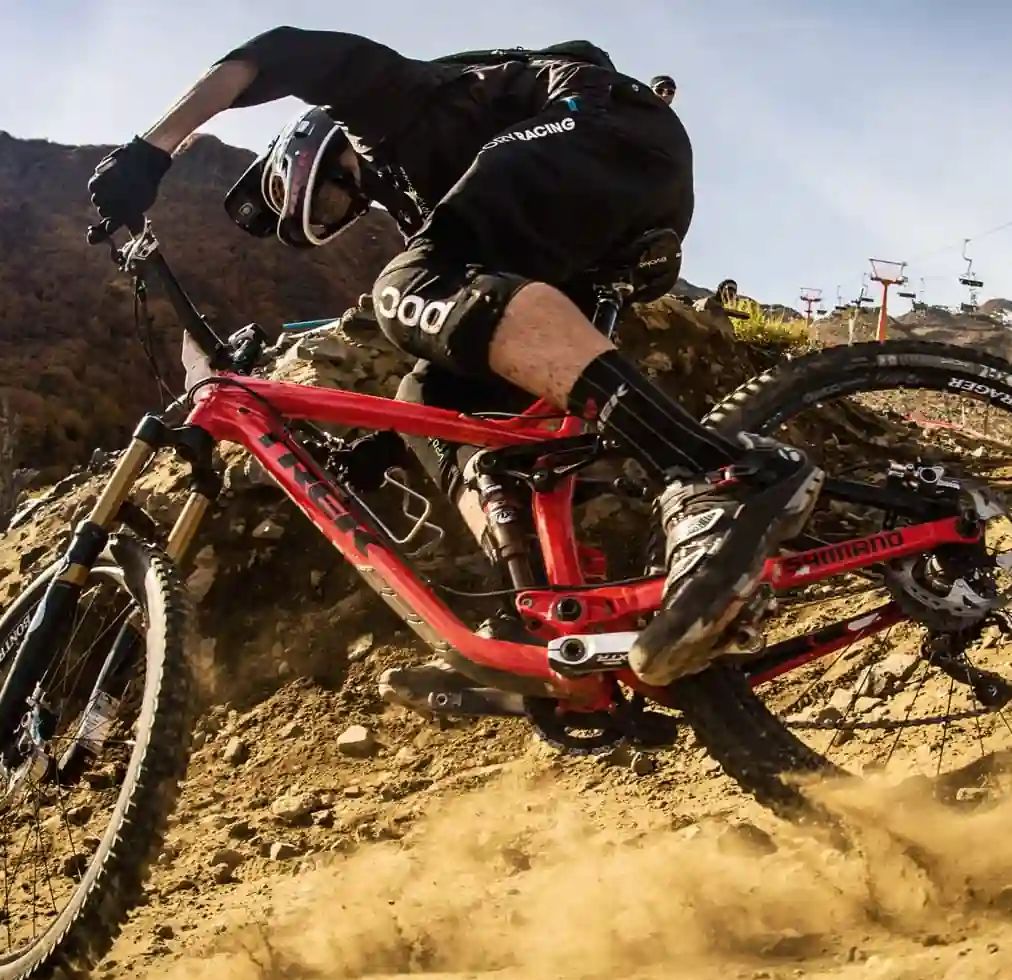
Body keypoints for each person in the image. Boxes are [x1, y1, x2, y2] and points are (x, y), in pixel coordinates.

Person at [86, 29, 823, 694]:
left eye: (319, 193)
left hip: (601, 129)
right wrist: (394, 438)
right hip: (601, 214)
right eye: (331, 220)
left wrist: (155, 147)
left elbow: (271, 51)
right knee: (429, 396)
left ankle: (703, 475)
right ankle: (533, 626)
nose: (340, 208)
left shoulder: (387, 107)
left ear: (310, 144)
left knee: (409, 286)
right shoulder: (443, 205)